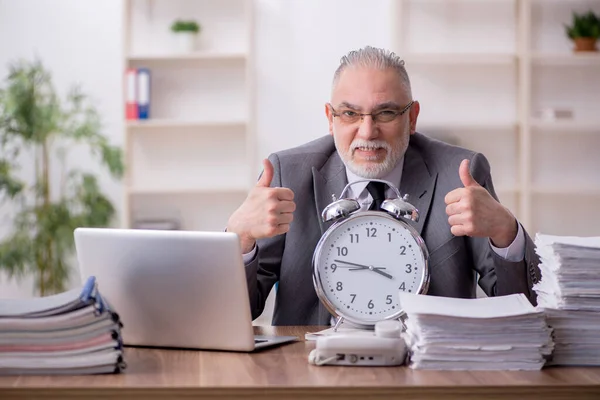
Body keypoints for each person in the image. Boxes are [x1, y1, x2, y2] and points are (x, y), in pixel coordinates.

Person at [226, 46, 541, 326]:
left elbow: (522, 307)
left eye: (386, 112)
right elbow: (238, 311)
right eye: (350, 113)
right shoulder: (287, 175)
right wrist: (239, 239)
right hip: (312, 369)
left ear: (412, 117)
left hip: (430, 371)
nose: (368, 131)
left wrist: (506, 232)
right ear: (330, 117)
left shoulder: (459, 175)